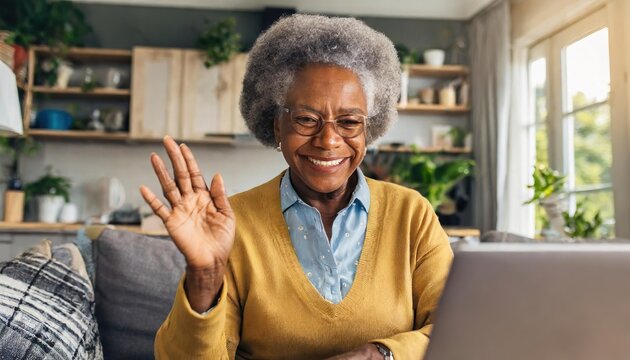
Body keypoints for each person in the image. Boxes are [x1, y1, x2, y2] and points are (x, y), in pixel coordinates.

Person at [141, 14, 453, 360]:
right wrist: (205, 275)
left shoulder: (412, 214)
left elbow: (456, 332)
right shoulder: (231, 224)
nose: (329, 140)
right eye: (306, 119)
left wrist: (379, 354)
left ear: (370, 128)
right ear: (277, 127)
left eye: (349, 122)